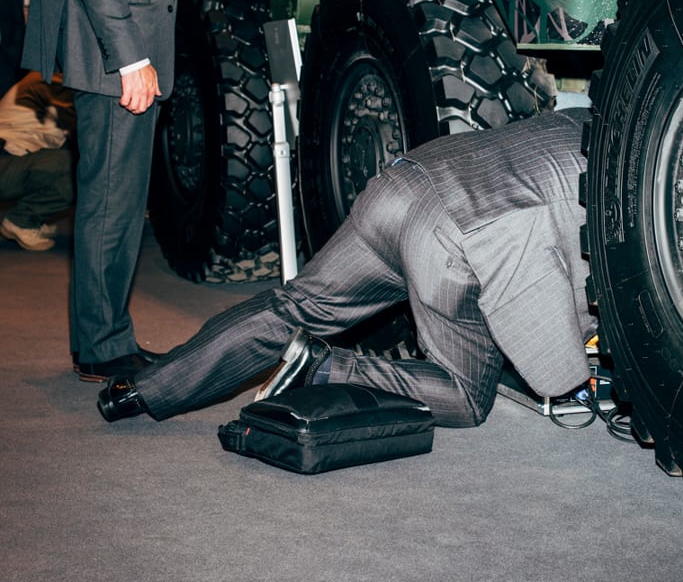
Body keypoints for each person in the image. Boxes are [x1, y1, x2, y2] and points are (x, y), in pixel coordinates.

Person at [98, 108, 596, 428]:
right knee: (465, 398)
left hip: (402, 186)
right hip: (452, 234)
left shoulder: (589, 119)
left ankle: (141, 390)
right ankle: (321, 366)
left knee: (294, 305)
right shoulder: (625, 178)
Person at [20, 0, 177, 381]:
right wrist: (131, 59)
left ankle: (102, 339)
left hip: (107, 59)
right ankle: (103, 347)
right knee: (112, 206)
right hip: (114, 63)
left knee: (113, 205)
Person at [0, 71, 75, 251]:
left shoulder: (53, 77)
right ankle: (21, 220)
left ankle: (29, 218)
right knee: (79, 167)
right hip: (6, 160)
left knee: (77, 163)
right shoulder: (52, 81)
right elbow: (90, 132)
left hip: (14, 160)